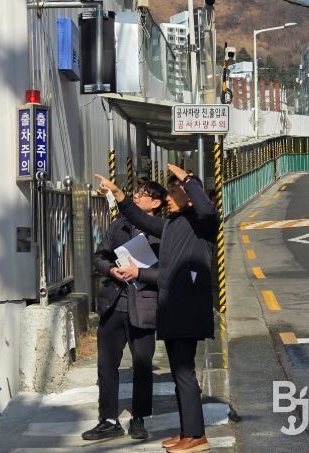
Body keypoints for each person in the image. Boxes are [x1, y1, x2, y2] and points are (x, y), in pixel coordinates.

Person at [95, 164, 219, 453]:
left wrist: (189, 179)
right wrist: (119, 195)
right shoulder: (173, 225)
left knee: (185, 374)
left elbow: (207, 210)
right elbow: (139, 218)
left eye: (174, 192)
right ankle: (188, 431)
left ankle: (196, 436)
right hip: (173, 310)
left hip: (187, 311)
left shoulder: (203, 224)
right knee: (179, 374)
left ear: (190, 196)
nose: (167, 198)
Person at [81, 180, 168, 442]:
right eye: (136, 193)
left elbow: (167, 274)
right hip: (114, 304)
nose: (137, 197)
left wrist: (140, 273)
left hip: (144, 305)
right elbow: (100, 257)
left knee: (142, 364)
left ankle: (139, 418)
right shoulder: (119, 225)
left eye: (143, 194)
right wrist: (111, 270)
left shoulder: (164, 231)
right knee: (106, 365)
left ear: (156, 203)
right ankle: (108, 420)